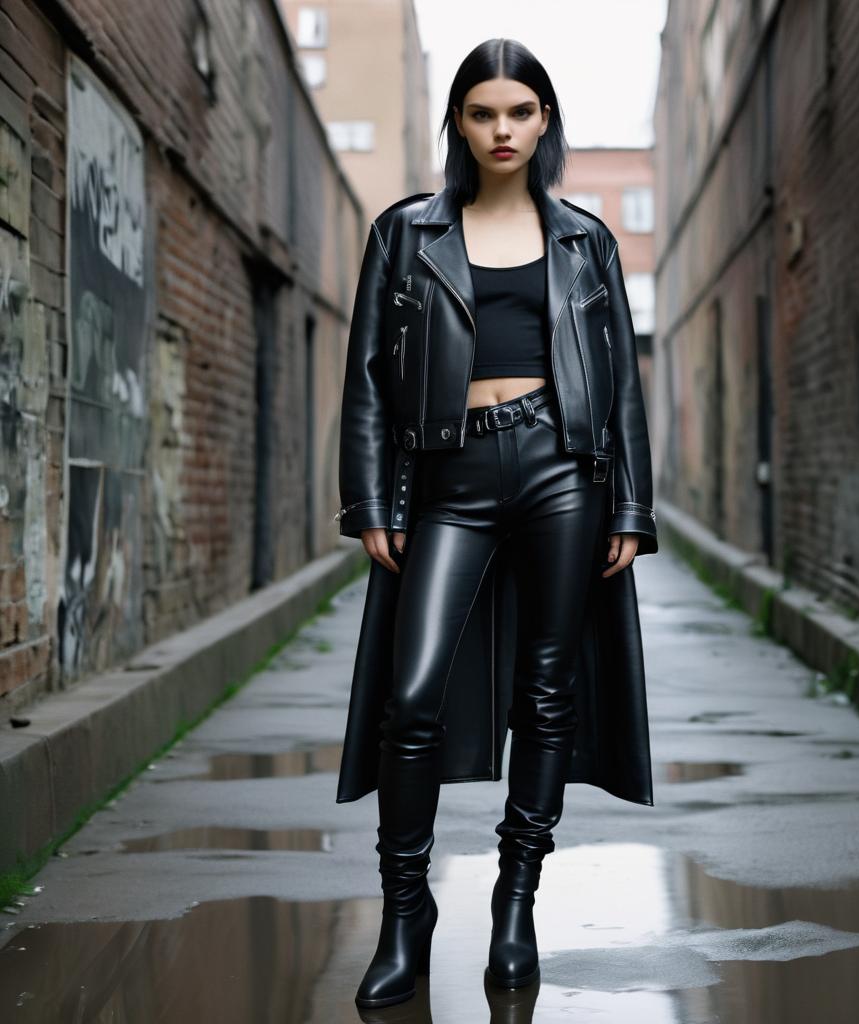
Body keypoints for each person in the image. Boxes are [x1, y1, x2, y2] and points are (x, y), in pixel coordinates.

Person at [337, 37, 658, 1010]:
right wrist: (372, 500)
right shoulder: (406, 233)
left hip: (563, 471)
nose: (502, 130)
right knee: (413, 692)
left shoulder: (584, 239)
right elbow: (365, 380)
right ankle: (406, 917)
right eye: (483, 114)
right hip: (451, 471)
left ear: (544, 121)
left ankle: (515, 905)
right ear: (460, 125)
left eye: (519, 113)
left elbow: (620, 386)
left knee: (547, 691)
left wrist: (631, 505)